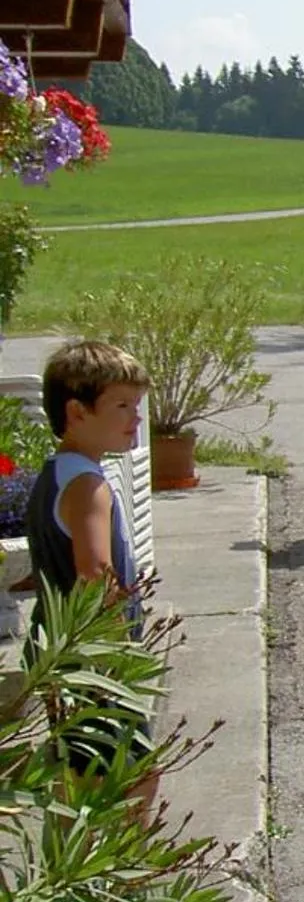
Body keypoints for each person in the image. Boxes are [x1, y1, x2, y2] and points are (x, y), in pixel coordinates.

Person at [28, 339, 157, 812]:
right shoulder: (88, 486)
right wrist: (121, 650)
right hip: (93, 658)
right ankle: (126, 879)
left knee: (79, 773)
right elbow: (95, 571)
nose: (135, 419)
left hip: (58, 649)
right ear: (77, 411)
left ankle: (75, 874)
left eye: (137, 405)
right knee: (137, 775)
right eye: (121, 406)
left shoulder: (55, 474)